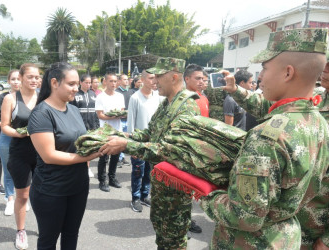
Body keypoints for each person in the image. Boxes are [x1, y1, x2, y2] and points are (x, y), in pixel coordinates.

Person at [200, 28, 329, 249]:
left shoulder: (266, 138)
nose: (259, 77)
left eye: (264, 68)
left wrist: (206, 195)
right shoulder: (318, 122)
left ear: (288, 73)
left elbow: (246, 216)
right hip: (287, 236)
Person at [99, 57, 201, 249]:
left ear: (174, 77)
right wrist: (126, 135)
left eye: (159, 77)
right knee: (162, 234)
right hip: (162, 183)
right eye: (153, 77)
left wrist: (126, 145)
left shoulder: (186, 106)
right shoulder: (166, 103)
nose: (155, 81)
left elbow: (170, 150)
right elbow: (151, 132)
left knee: (174, 239)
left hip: (175, 191)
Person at [28, 62, 100, 250]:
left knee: (71, 235)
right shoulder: (41, 113)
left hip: (78, 186)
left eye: (77, 84)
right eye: (71, 84)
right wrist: (89, 157)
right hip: (51, 190)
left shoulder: (74, 110)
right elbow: (49, 156)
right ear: (54, 82)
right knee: (48, 240)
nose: (76, 88)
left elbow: (80, 142)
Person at [1, 63, 39, 249]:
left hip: (43, 153)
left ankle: (45, 226)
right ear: (21, 77)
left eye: (37, 77)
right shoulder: (11, 98)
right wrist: (20, 133)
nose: (34, 80)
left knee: (43, 193)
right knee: (23, 196)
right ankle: (21, 231)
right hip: (19, 153)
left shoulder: (44, 98)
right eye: (30, 77)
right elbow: (5, 126)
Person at [183, 63, 211, 235]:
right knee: (184, 187)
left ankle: (186, 218)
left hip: (200, 148)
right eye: (197, 78)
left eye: (203, 79)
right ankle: (183, 221)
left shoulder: (203, 98)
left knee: (193, 187)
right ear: (187, 79)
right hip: (187, 149)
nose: (201, 81)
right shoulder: (183, 99)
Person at [127, 70, 160, 212]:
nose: (154, 81)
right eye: (151, 78)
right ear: (143, 79)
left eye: (156, 78)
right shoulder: (135, 98)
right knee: (137, 171)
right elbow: (131, 123)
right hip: (139, 142)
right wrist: (132, 146)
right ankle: (135, 197)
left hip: (153, 142)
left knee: (149, 171)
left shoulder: (158, 96)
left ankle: (145, 195)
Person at [0, 69, 20, 215]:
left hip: (26, 139)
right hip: (6, 137)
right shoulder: (2, 98)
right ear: (8, 81)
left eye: (19, 78)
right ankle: (10, 199)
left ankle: (23, 199)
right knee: (8, 169)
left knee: (27, 170)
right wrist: (6, 125)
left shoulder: (31, 97)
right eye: (13, 79)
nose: (16, 81)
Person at [95, 72, 125, 192]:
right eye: (111, 81)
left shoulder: (120, 96)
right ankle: (102, 180)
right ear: (105, 82)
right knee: (103, 156)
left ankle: (112, 178)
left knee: (115, 156)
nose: (113, 83)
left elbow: (122, 111)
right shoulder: (100, 97)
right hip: (105, 131)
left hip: (117, 131)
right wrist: (112, 117)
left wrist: (118, 114)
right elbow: (100, 115)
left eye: (115, 81)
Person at [69, 74, 99, 178]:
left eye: (90, 82)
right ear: (80, 83)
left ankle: (87, 167)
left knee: (88, 148)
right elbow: (71, 111)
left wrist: (96, 125)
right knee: (77, 147)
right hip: (78, 125)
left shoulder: (93, 94)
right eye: (86, 82)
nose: (88, 84)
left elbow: (95, 112)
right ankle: (76, 167)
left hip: (91, 125)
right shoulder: (75, 94)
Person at [115, 74, 131, 166]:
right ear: (119, 81)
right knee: (119, 139)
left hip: (128, 120)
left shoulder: (131, 92)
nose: (126, 81)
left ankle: (123, 157)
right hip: (120, 120)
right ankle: (118, 158)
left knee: (125, 140)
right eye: (124, 79)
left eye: (127, 79)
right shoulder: (117, 92)